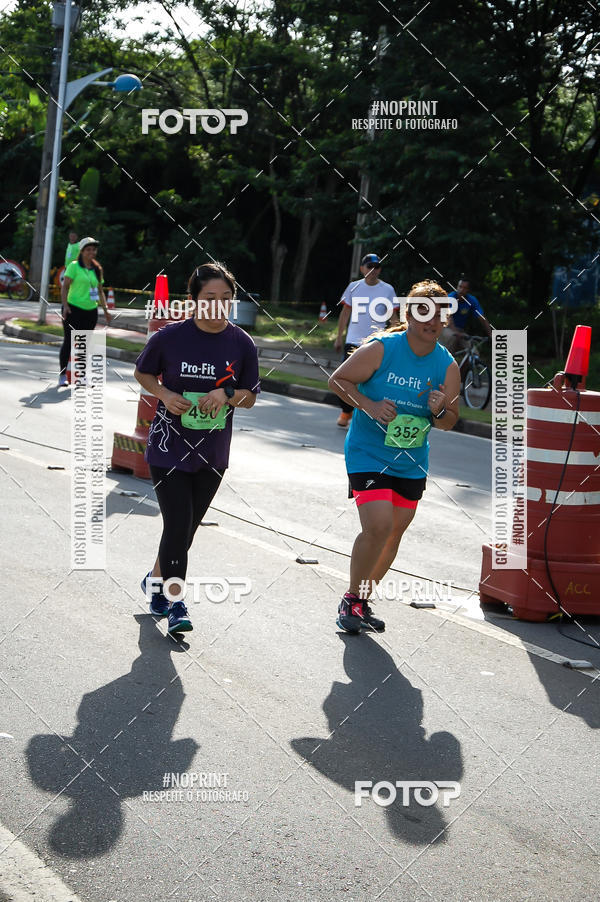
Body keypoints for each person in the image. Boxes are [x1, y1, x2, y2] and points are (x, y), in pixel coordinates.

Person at [328, 279, 460, 634]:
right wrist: (369, 405)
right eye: (423, 312)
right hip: (368, 452)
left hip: (411, 460)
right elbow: (338, 381)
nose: (431, 321)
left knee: (392, 535)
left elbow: (449, 421)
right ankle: (351, 598)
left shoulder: (447, 366)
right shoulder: (382, 349)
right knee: (378, 525)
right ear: (408, 315)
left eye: (439, 315)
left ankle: (362, 601)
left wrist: (439, 409)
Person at [134, 262, 260, 635]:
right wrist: (164, 394)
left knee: (186, 528)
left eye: (225, 298)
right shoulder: (170, 337)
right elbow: (143, 372)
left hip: (212, 452)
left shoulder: (241, 343)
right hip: (169, 447)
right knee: (177, 524)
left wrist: (226, 394)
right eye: (209, 297)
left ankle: (155, 581)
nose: (218, 305)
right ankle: (175, 602)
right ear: (193, 300)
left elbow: (250, 397)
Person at [334, 253, 399, 428]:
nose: (373, 270)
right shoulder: (354, 287)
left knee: (371, 381)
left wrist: (398, 339)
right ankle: (346, 411)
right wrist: (339, 337)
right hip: (353, 340)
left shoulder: (387, 290)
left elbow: (393, 317)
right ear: (362, 268)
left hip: (376, 344)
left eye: (377, 267)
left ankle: (362, 414)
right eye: (370, 266)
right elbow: (345, 313)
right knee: (345, 378)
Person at [59, 237, 111, 386]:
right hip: (73, 308)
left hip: (90, 310)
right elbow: (65, 287)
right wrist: (65, 305)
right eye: (88, 249)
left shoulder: (97, 269)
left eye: (94, 249)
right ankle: (62, 375)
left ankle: (81, 376)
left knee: (84, 344)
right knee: (69, 342)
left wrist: (106, 310)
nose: (91, 252)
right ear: (81, 251)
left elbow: (100, 291)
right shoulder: (74, 266)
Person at [441, 276, 492, 355]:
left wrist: (490, 334)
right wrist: (456, 332)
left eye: (464, 288)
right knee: (451, 339)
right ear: (457, 287)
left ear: (468, 290)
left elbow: (482, 318)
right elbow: (449, 318)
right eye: (460, 287)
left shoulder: (472, 300)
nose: (461, 290)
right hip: (446, 328)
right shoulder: (450, 298)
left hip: (460, 331)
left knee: (474, 354)